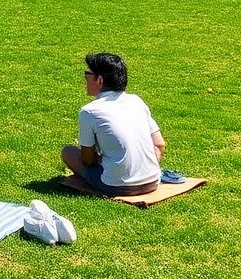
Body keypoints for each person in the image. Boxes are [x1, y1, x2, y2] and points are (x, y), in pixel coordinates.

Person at [61, 52, 165, 197]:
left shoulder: (89, 111)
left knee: (68, 152)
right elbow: (159, 145)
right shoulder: (136, 101)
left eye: (87, 74)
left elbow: (87, 160)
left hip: (115, 185)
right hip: (153, 181)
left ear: (100, 80)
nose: (85, 78)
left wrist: (100, 159)